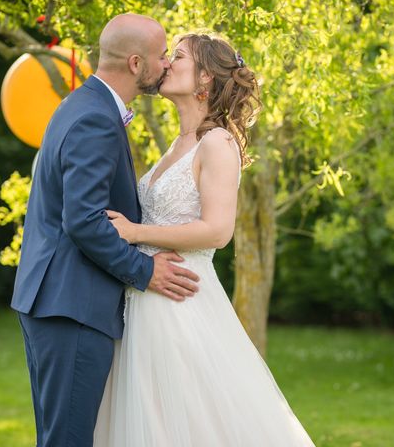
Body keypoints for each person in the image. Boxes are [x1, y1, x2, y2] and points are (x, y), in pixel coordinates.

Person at [93, 33, 316, 446]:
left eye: (176, 56)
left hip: (182, 301)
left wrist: (133, 232)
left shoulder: (218, 142)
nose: (166, 63)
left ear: (206, 79)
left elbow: (217, 230)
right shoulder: (178, 144)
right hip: (146, 298)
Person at [11, 14, 201, 447]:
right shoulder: (96, 118)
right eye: (160, 55)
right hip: (72, 305)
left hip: (56, 300)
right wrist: (145, 270)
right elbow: (84, 220)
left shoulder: (82, 104)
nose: (167, 63)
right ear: (136, 64)